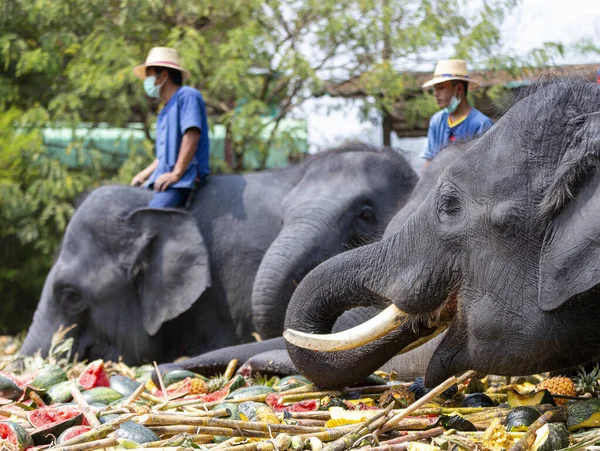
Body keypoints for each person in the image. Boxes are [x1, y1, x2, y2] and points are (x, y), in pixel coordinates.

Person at [131, 47, 210, 208]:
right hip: (164, 178)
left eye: (149, 75)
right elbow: (163, 157)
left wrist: (176, 173)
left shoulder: (187, 96)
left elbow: (191, 135)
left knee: (151, 218)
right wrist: (144, 174)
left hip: (184, 179)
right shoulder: (165, 110)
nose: (147, 81)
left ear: (163, 76)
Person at [421, 59, 493, 167]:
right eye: (435, 89)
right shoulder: (437, 121)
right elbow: (429, 161)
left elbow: (488, 168)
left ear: (459, 89)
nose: (436, 94)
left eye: (441, 88)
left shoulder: (481, 125)